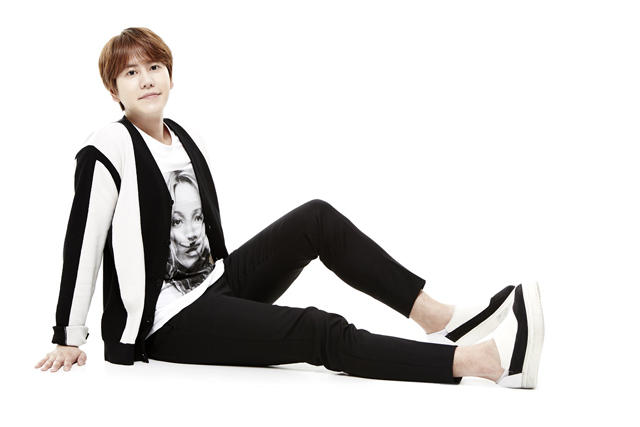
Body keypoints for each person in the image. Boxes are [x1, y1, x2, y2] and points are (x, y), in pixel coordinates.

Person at [35, 27, 545, 388]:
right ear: (113, 89)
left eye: (154, 67)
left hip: (215, 284)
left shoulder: (180, 138)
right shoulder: (107, 146)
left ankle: (442, 317)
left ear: (170, 75)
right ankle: (485, 362)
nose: (147, 78)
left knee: (315, 218)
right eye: (131, 72)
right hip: (167, 322)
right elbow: (83, 242)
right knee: (317, 329)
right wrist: (68, 335)